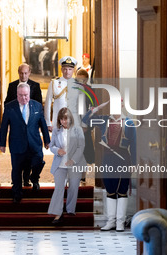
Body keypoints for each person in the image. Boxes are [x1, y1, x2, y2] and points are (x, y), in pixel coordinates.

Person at [82, 100, 136, 232]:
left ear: (122, 105)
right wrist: (98, 108)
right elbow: (85, 120)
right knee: (110, 189)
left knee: (122, 190)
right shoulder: (104, 120)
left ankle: (120, 223)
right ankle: (111, 221)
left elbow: (134, 144)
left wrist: (134, 163)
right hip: (108, 158)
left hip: (123, 158)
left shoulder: (129, 122)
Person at [0, 83, 50, 203]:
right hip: (17, 143)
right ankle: (17, 193)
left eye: (26, 95)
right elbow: (4, 126)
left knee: (39, 161)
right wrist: (2, 143)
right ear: (17, 95)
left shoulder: (37, 106)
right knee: (16, 169)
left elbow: (42, 124)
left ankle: (34, 178)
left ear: (29, 94)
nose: (23, 98)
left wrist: (47, 140)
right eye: (21, 95)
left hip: (34, 142)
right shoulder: (9, 107)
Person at [4, 63, 43, 186]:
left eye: (26, 73)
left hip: (30, 126)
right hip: (16, 126)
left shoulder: (35, 86)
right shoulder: (12, 86)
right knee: (17, 154)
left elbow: (39, 105)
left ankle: (26, 178)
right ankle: (17, 179)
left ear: (29, 73)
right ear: (18, 73)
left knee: (29, 154)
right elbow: (7, 104)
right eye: (21, 73)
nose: (23, 75)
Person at [48, 107, 87, 224]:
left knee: (73, 188)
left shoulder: (78, 130)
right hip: (60, 164)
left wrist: (73, 160)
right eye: (62, 119)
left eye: (66, 119)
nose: (64, 121)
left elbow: (81, 147)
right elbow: (51, 146)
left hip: (75, 164)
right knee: (59, 188)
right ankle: (57, 214)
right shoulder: (56, 130)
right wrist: (57, 150)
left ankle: (70, 210)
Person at [44, 56, 83, 132]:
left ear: (74, 70)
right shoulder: (54, 83)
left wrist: (83, 123)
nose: (67, 71)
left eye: (70, 69)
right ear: (61, 70)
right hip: (57, 122)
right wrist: (48, 122)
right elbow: (48, 103)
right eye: (65, 69)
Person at [75, 70, 95, 184]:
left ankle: (83, 176)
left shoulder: (90, 90)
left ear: (86, 80)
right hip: (73, 124)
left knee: (84, 152)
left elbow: (93, 109)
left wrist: (88, 125)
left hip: (85, 125)